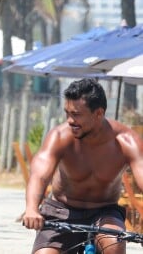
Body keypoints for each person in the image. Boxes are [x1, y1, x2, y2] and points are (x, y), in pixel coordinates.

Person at [23, 78, 143, 254]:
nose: (70, 120)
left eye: (77, 114)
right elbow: (39, 175)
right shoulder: (59, 136)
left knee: (115, 244)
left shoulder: (126, 141)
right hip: (61, 211)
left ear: (98, 114)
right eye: (67, 113)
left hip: (105, 211)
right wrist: (32, 208)